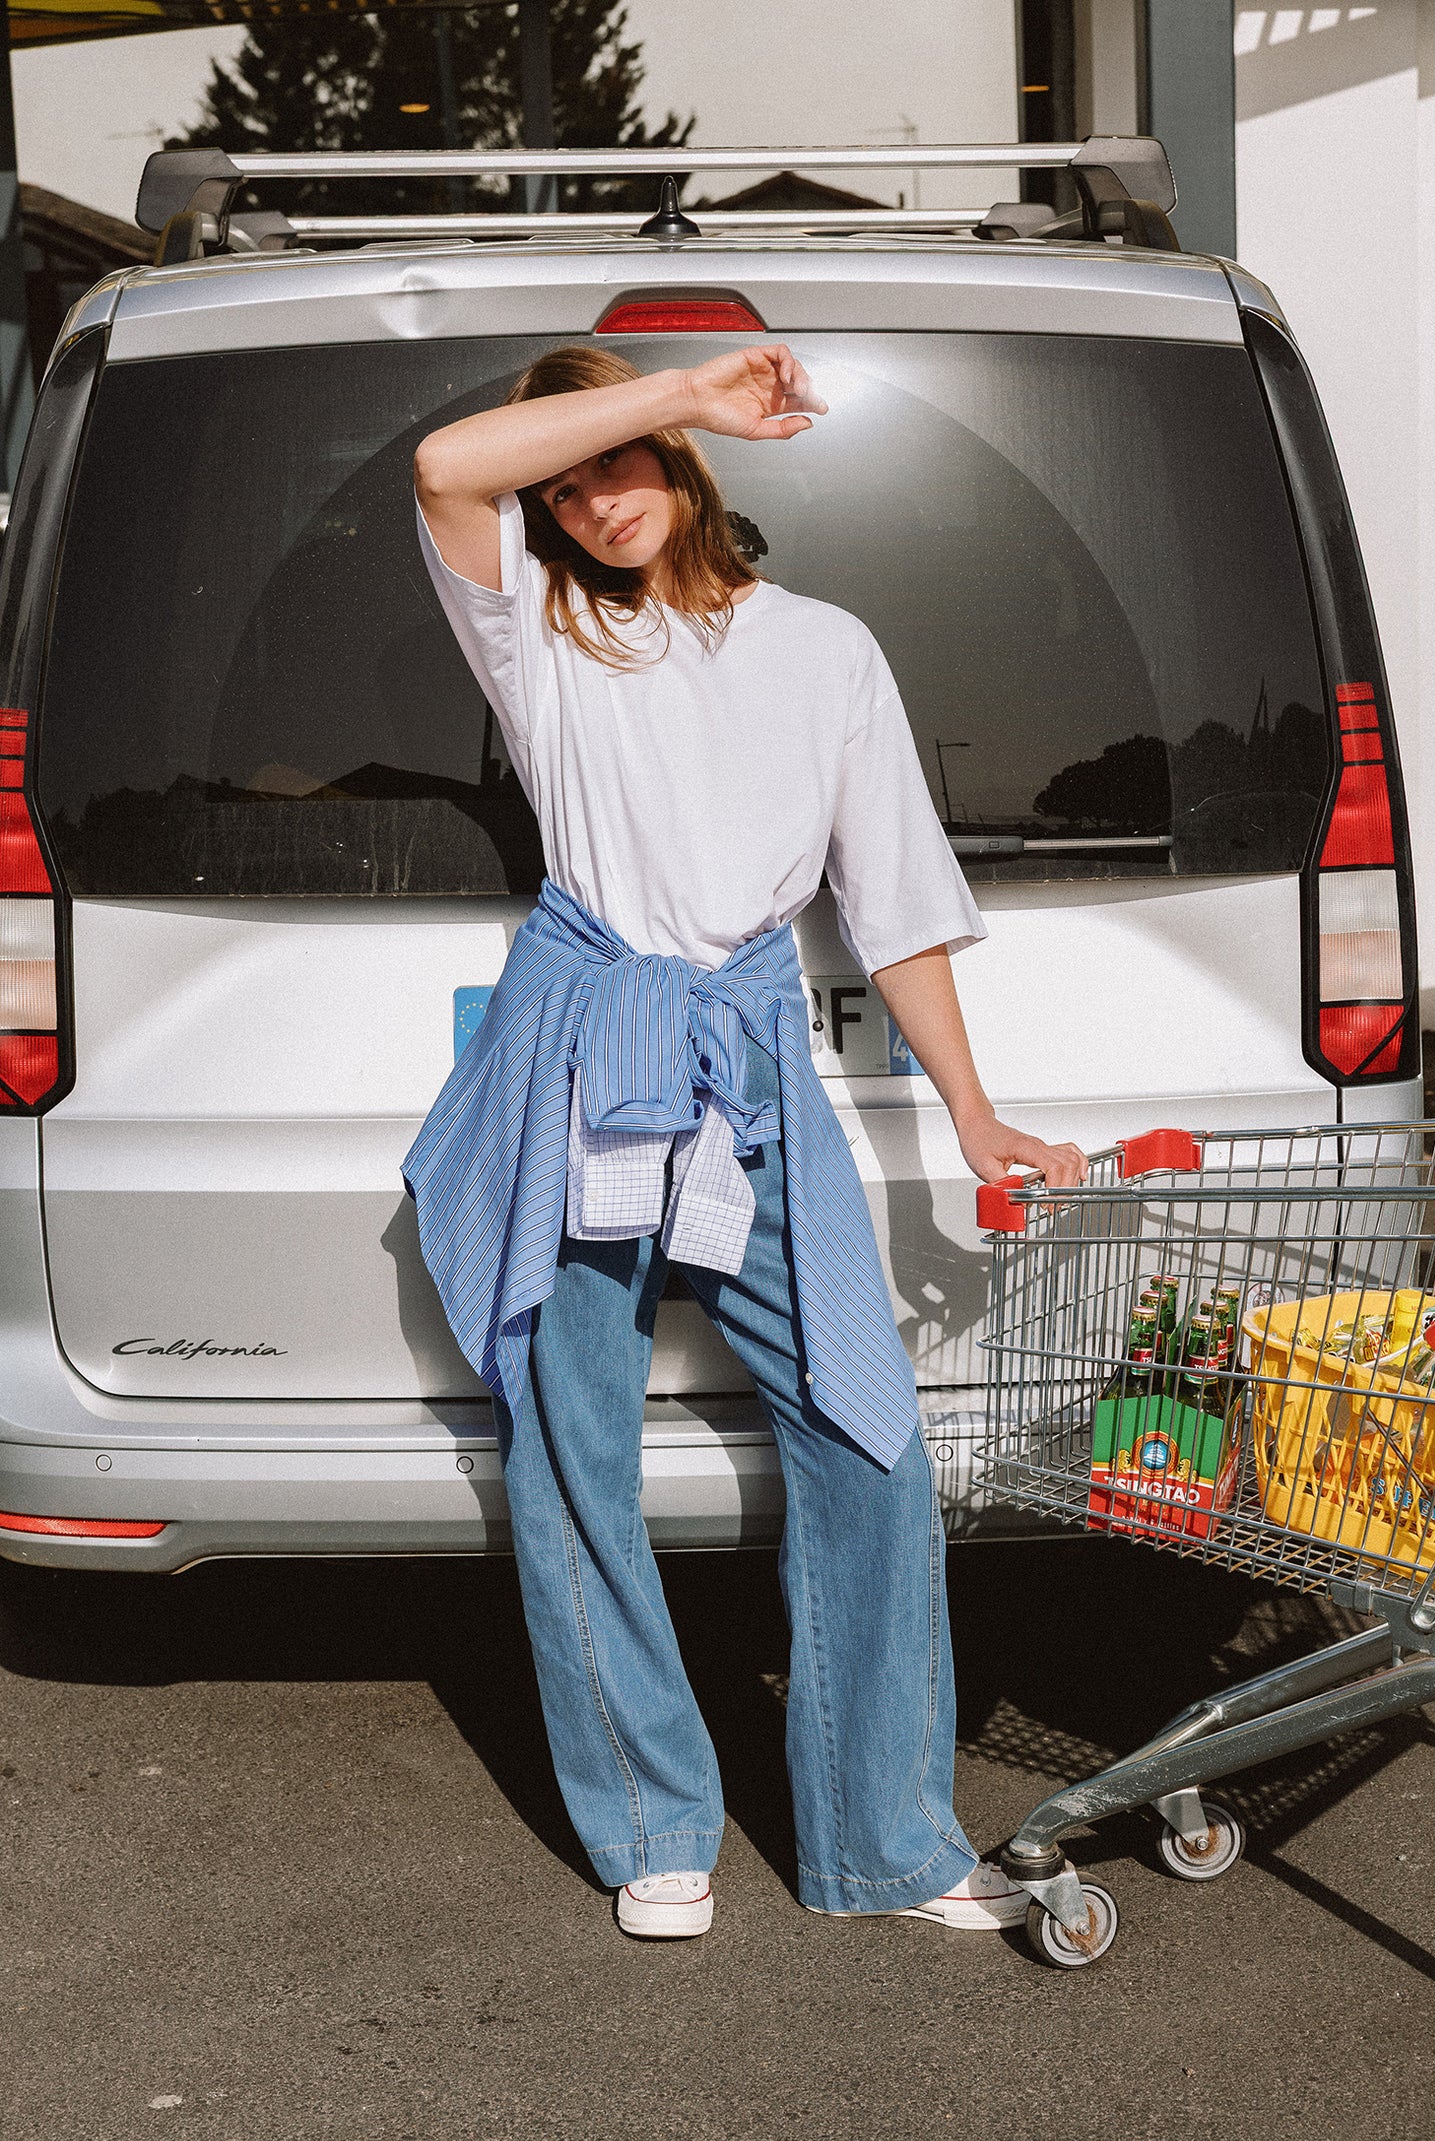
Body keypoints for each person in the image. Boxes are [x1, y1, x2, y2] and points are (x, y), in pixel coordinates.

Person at [404, 343, 1086, 1942]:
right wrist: (670, 397)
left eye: (625, 467)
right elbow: (446, 469)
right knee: (577, 1448)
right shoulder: (545, 632)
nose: (600, 497)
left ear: (696, 482)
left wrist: (973, 1112)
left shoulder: (824, 650)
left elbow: (894, 904)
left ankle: (886, 1840)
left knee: (866, 1429)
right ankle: (651, 1825)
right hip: (584, 1057)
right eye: (572, 478)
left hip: (752, 1056)